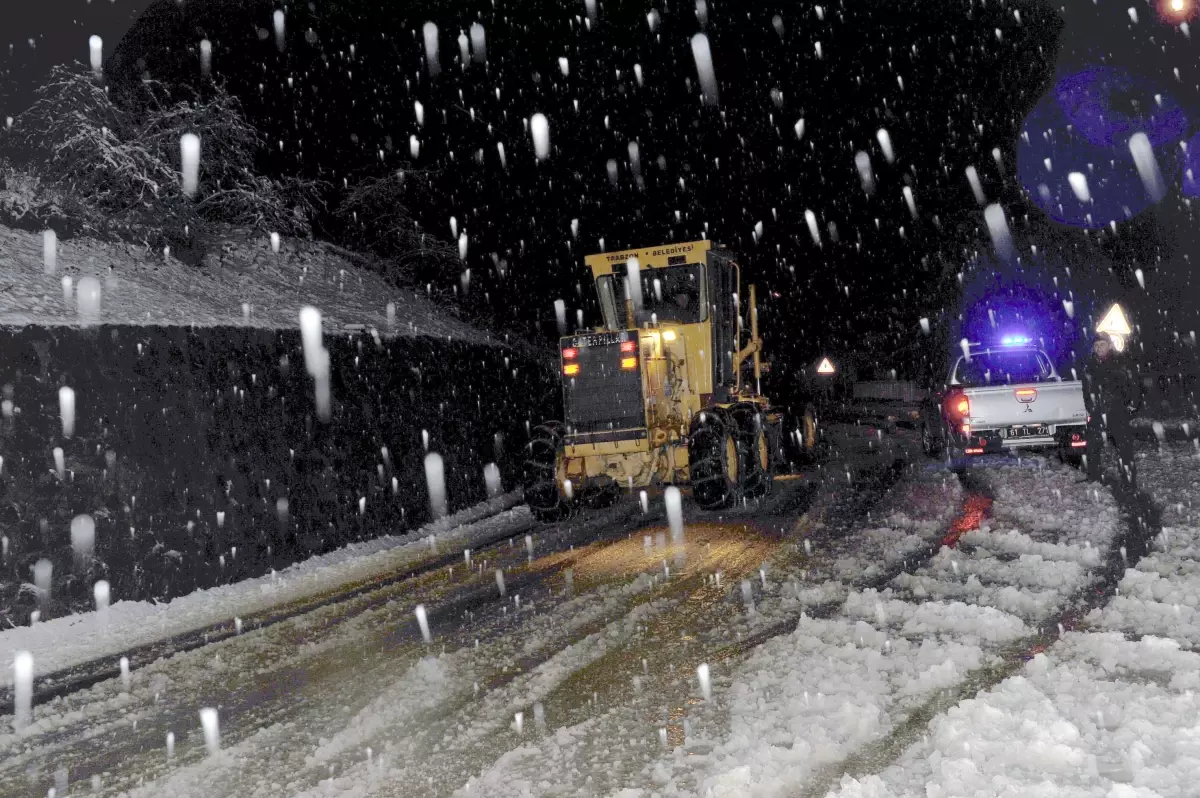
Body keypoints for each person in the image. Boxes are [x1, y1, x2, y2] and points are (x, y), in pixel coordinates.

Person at [1081, 331, 1141, 487]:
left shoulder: (1120, 362)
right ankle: (1094, 479)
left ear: (1109, 346)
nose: (1099, 348)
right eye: (1096, 346)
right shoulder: (1090, 366)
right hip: (1097, 413)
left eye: (1102, 345)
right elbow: (1086, 390)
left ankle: (1129, 481)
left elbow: (1133, 385)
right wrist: (1090, 406)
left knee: (1124, 449)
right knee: (1093, 448)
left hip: (1117, 412)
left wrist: (1132, 405)